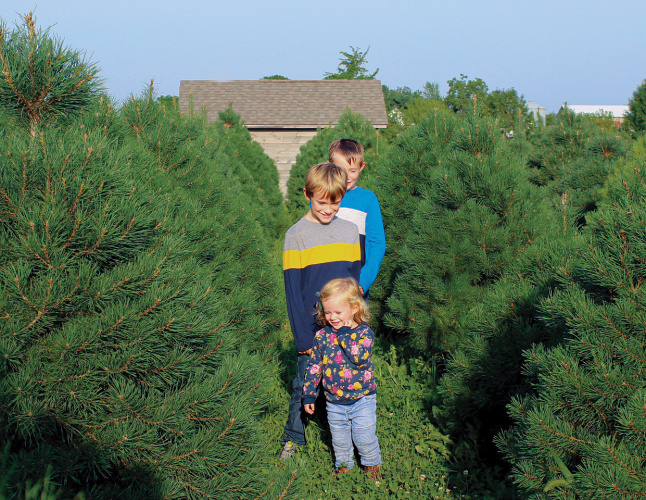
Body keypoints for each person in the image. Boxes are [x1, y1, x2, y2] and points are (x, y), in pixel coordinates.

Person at [280, 162, 362, 459]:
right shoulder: (296, 235)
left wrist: (355, 320)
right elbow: (293, 292)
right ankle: (294, 436)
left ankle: (346, 434)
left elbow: (354, 280)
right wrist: (303, 340)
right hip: (312, 328)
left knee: (344, 380)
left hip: (345, 324)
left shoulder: (350, 231)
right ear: (307, 195)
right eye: (321, 202)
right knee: (304, 384)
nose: (328, 209)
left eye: (335, 202)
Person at [303, 277, 382, 478]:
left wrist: (346, 334)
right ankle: (345, 466)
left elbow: (359, 357)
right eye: (328, 312)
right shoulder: (322, 336)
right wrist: (309, 394)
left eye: (338, 312)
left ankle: (372, 464)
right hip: (334, 401)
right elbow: (314, 366)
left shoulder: (364, 333)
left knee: (364, 436)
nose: (332, 317)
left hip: (362, 398)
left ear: (354, 308)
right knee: (340, 439)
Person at [329, 139, 386, 296]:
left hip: (354, 287)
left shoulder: (368, 200)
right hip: (324, 284)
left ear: (362, 167)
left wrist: (362, 282)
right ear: (329, 166)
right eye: (341, 170)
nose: (347, 176)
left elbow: (377, 244)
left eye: (352, 171)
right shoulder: (322, 198)